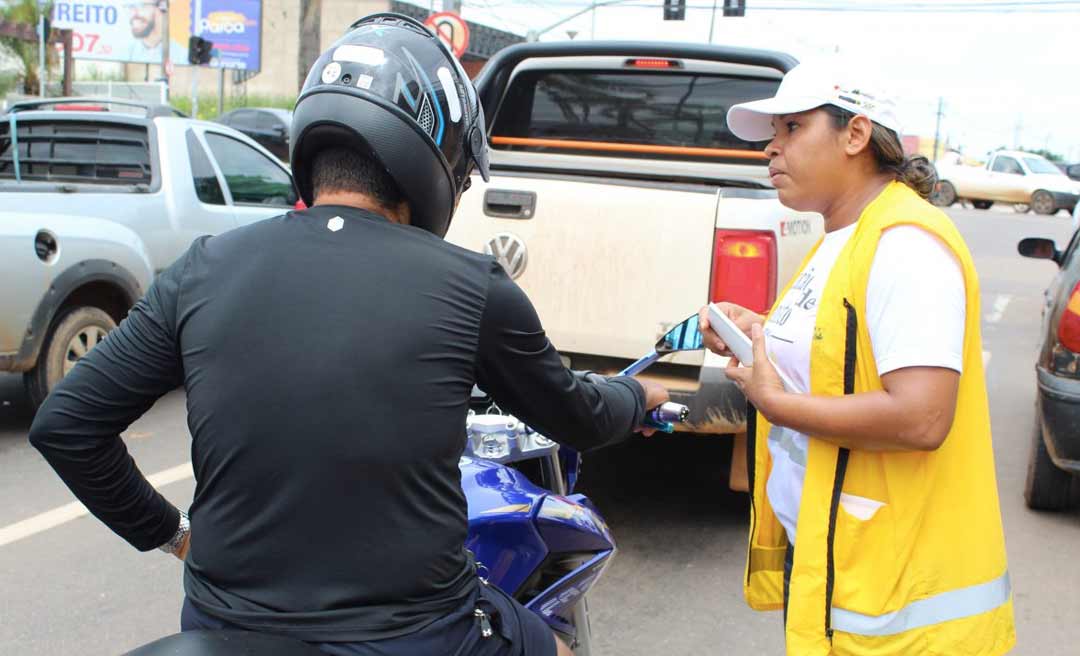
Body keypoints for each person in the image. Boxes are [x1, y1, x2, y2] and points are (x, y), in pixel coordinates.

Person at [29, 14, 667, 656]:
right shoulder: (470, 287)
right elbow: (580, 416)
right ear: (438, 157)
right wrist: (638, 397)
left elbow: (66, 425)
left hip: (225, 630)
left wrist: (174, 535)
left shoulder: (202, 270)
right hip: (418, 637)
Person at [699, 59, 1015, 655]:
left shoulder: (905, 247)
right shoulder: (840, 237)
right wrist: (759, 333)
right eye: (773, 133)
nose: (771, 149)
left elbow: (921, 417)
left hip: (897, 601)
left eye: (792, 128)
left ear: (856, 135)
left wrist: (777, 403)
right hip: (838, 559)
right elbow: (840, 354)